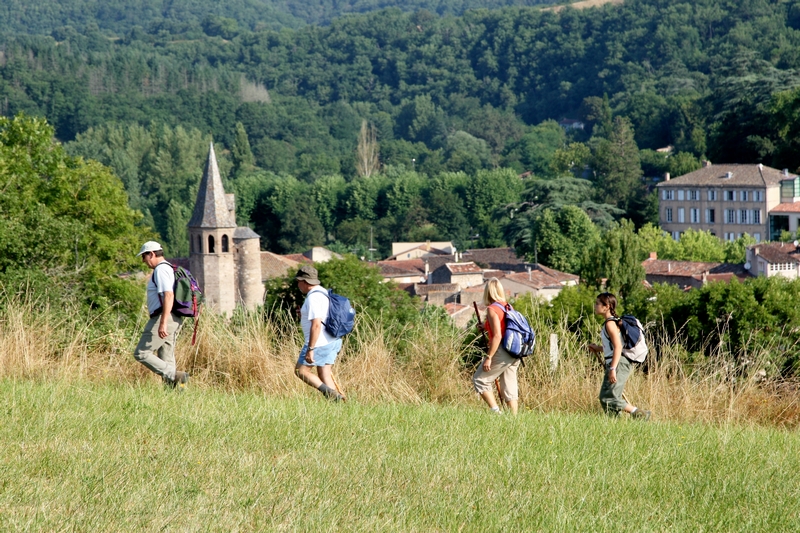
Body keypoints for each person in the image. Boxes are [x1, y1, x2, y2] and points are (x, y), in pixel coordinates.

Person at [133, 241, 190, 390]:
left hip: (164, 317)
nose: (143, 261)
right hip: (173, 317)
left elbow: (168, 295)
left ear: (151, 254)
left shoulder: (161, 270)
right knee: (166, 356)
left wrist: (163, 322)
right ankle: (174, 393)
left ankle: (175, 375)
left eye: (144, 257)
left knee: (141, 353)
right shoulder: (168, 268)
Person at [588, 292, 650, 419]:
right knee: (607, 398)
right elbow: (613, 347)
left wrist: (612, 369)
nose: (595, 306)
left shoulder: (610, 324)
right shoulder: (611, 322)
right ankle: (614, 424)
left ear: (607, 306)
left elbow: (618, 347)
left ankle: (640, 414)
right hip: (617, 362)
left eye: (598, 303)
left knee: (608, 398)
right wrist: (598, 348)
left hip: (618, 364)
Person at [294, 265, 345, 401]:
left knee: (301, 371)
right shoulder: (322, 292)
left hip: (320, 342)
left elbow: (316, 325)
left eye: (298, 281)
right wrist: (303, 314)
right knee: (325, 375)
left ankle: (331, 394)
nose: (298, 285)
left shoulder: (313, 298)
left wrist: (310, 349)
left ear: (304, 281)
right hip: (332, 339)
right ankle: (338, 404)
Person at [472, 278, 519, 415]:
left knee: (480, 379)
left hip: (502, 350)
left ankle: (496, 413)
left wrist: (489, 357)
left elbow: (498, 336)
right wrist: (486, 327)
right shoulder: (507, 306)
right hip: (514, 352)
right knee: (509, 385)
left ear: (488, 292)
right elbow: (504, 328)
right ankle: (514, 419)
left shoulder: (492, 309)